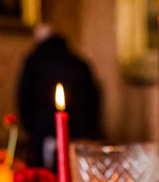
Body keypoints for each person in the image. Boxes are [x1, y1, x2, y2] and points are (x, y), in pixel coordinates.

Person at [17, 24, 101, 168]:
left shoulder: (33, 62)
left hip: (45, 134)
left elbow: (24, 100)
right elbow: (94, 100)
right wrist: (89, 130)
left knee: (48, 179)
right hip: (80, 136)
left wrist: (32, 131)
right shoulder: (80, 63)